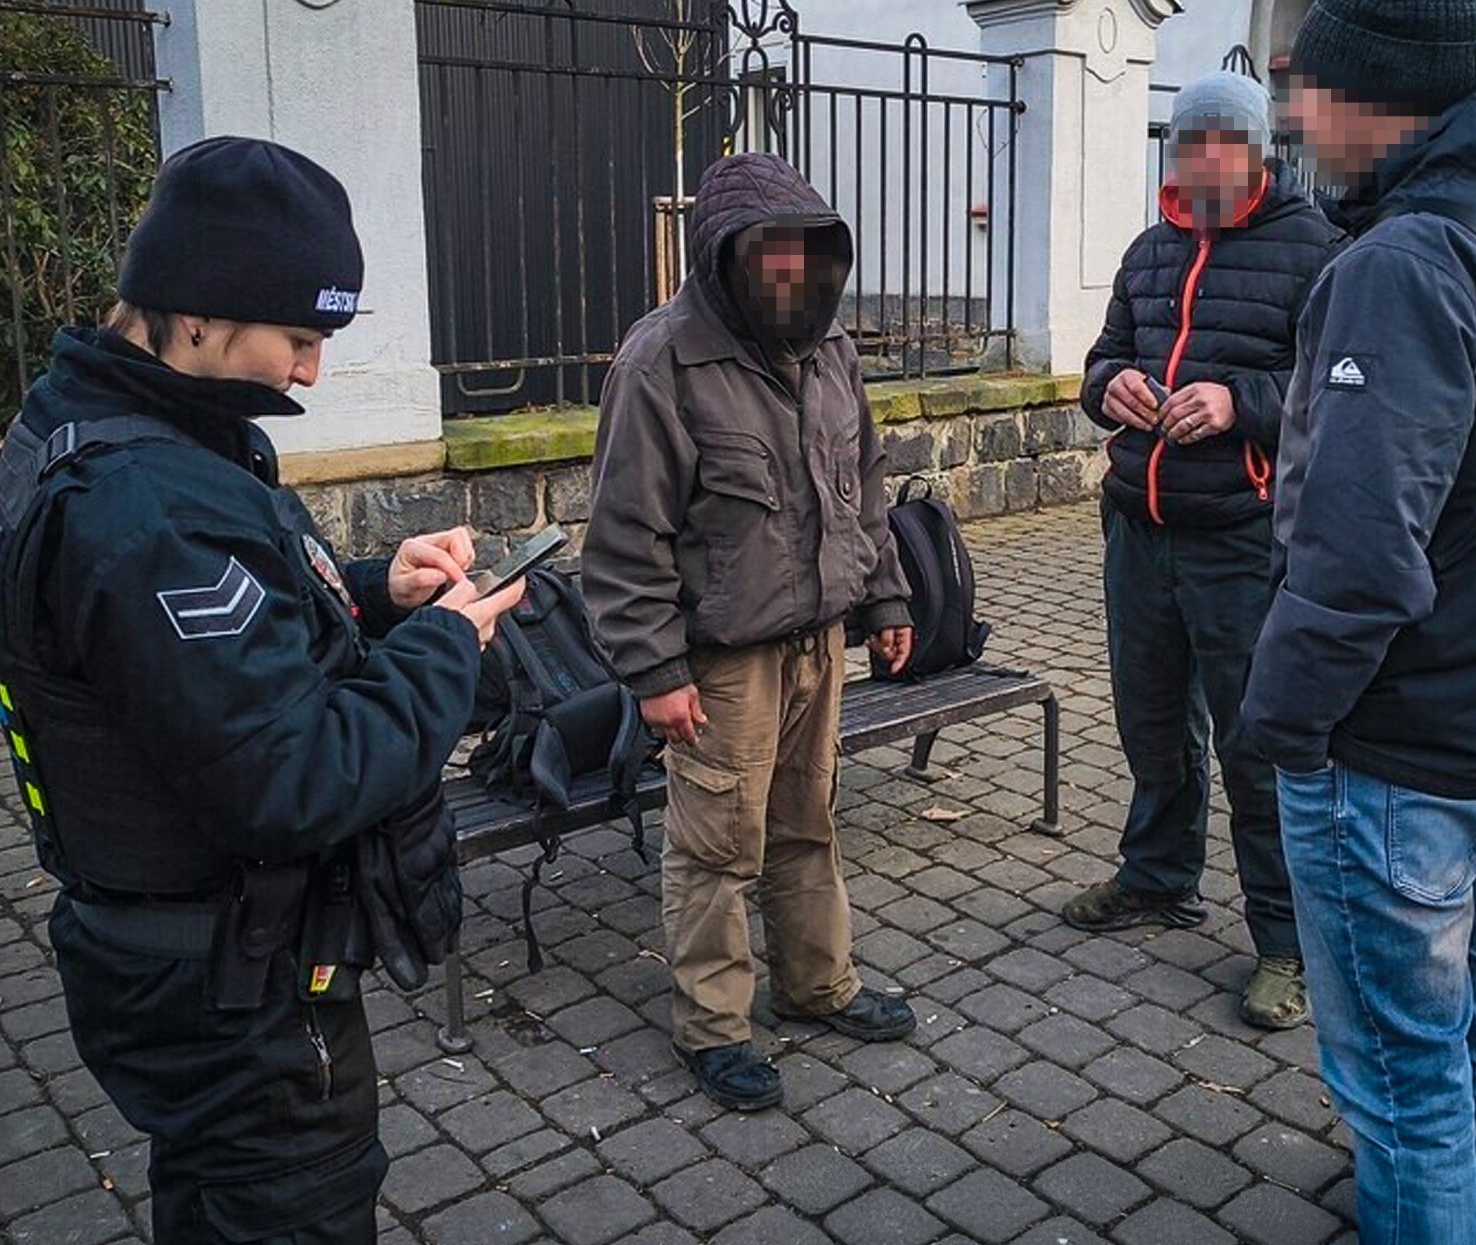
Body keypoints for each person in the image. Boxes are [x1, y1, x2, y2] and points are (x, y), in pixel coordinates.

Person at [0, 137, 524, 1245]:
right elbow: (291, 778)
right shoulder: (144, 506)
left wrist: (376, 590)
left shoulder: (116, 429)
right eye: (299, 338)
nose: (312, 373)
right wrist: (445, 647)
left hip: (182, 961)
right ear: (196, 311)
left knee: (216, 1203)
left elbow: (209, 654)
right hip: (234, 985)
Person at [1241, 0, 1476, 1244]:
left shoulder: (1399, 264)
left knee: (1403, 1091)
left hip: (1391, 750)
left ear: (1377, 99)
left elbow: (1356, 555)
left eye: (1309, 89)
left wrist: (1281, 723)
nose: (1294, 118)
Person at [583, 151, 916, 1113]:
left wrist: (887, 602)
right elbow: (625, 536)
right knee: (717, 851)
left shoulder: (833, 349)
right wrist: (655, 671)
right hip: (720, 664)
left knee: (807, 825)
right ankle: (715, 1029)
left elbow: (864, 486)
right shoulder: (661, 360)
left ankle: (819, 986)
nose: (791, 273)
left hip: (819, 641)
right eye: (771, 253)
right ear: (725, 256)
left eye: (808, 253)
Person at [1068, 72, 1343, 1029]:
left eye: (1229, 145)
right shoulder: (1149, 250)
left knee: (1255, 745)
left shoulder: (1317, 250)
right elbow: (1101, 361)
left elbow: (1331, 386)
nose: (1209, 162)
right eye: (1195, 145)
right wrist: (1109, 388)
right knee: (1151, 725)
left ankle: (1286, 943)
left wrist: (1239, 402)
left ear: (1259, 151)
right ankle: (1156, 877)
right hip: (1138, 527)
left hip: (1241, 537)